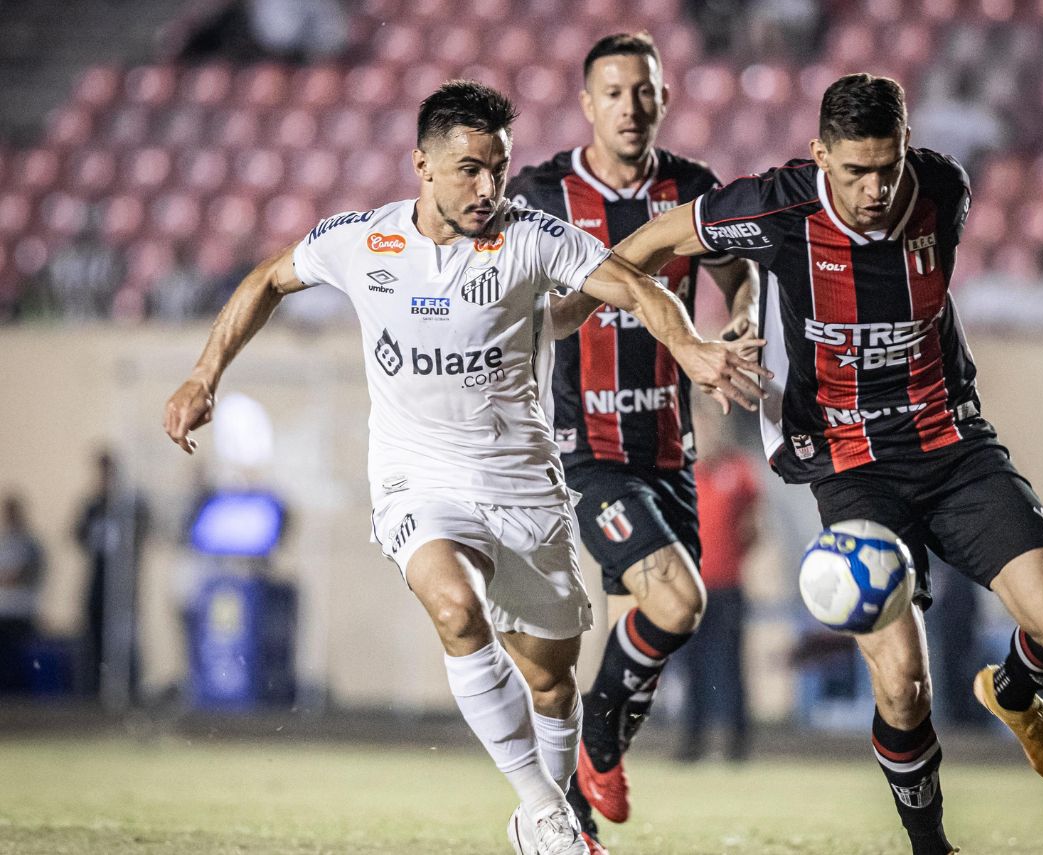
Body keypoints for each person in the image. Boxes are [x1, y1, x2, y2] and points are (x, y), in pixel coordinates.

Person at [162, 80, 765, 855]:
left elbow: (636, 285)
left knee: (550, 682)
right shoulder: (365, 240)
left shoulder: (533, 238)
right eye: (470, 169)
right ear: (423, 165)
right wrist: (204, 374)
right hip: (418, 480)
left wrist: (688, 346)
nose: (488, 187)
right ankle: (546, 812)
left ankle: (544, 818)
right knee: (455, 606)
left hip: (523, 485)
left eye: (499, 168)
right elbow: (267, 279)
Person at [609, 73, 1043, 855]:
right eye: (854, 171)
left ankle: (1014, 694)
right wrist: (687, 343)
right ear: (818, 156)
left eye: (888, 167)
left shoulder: (944, 189)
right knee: (902, 679)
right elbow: (644, 247)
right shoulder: (775, 208)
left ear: (909, 152)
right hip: (848, 461)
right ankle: (931, 845)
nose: (874, 189)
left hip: (951, 443)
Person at [506, 32, 759, 851]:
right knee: (679, 602)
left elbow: (737, 270)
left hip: (669, 450)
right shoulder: (542, 193)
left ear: (664, 98)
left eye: (644, 90)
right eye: (613, 92)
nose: (630, 105)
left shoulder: (690, 190)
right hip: (586, 450)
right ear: (587, 104)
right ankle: (593, 752)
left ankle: (571, 826)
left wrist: (745, 317)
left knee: (641, 650)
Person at [674, 400, 760, 762]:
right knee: (690, 667)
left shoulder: (740, 473)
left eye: (714, 428)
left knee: (728, 666)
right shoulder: (680, 473)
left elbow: (752, 529)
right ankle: (691, 741)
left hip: (727, 587)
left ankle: (735, 742)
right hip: (688, 589)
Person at [74, 450, 148, 703]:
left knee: (124, 638)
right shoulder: (94, 506)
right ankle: (93, 692)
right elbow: (78, 536)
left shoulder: (131, 506)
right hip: (98, 585)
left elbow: (143, 534)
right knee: (94, 637)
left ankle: (131, 691)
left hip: (122, 585)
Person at [0, 494, 45, 693]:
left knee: (21, 660)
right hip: (4, 610)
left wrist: (13, 577)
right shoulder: (4, 543)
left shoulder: (30, 544)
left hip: (22, 611)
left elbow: (29, 574)